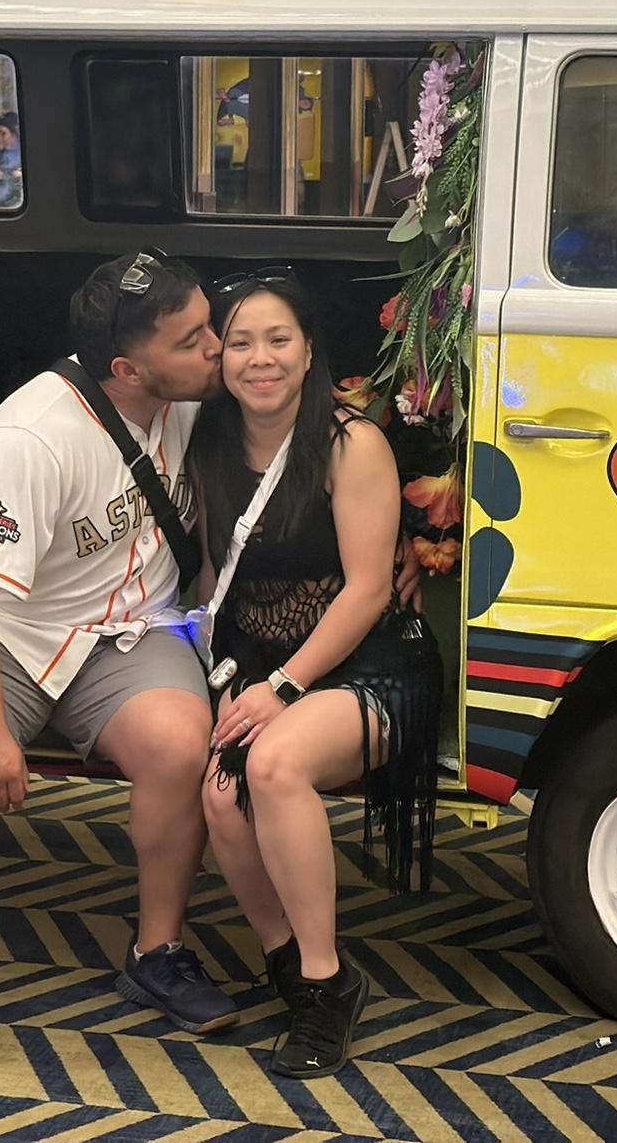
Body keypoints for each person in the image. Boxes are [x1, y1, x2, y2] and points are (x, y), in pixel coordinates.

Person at [0, 250, 232, 1071]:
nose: (216, 347)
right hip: (15, 636)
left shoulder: (195, 394)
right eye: (193, 340)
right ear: (127, 370)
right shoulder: (32, 434)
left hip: (133, 633)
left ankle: (157, 953)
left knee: (180, 743)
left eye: (209, 325)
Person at [192, 273, 440, 1079]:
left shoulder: (349, 443)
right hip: (263, 663)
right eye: (239, 342)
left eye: (278, 340)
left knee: (270, 765)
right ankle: (290, 968)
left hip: (371, 662)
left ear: (308, 353)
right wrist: (225, 678)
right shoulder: (208, 442)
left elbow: (368, 591)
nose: (259, 359)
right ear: (219, 357)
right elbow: (212, 582)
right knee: (220, 795)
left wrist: (282, 689)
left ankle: (330, 983)